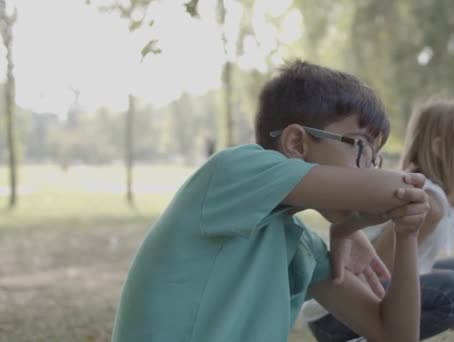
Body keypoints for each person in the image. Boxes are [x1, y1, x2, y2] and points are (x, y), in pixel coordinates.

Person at [111, 60, 429, 342]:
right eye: (359, 147)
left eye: (373, 160)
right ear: (296, 143)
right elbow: (402, 186)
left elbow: (395, 336)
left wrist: (406, 233)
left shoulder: (299, 244)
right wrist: (356, 220)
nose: (366, 171)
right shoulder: (235, 171)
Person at [303, 98, 454, 341]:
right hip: (338, 313)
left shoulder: (446, 201)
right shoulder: (429, 202)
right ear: (440, 148)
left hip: (368, 296)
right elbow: (377, 273)